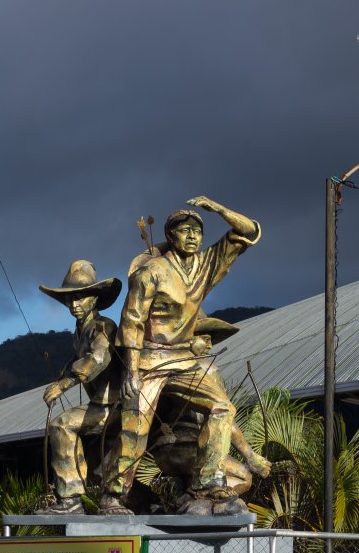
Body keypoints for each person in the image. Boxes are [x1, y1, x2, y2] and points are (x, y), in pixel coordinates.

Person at [101, 196, 261, 515]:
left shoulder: (206, 265)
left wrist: (216, 209)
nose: (191, 236)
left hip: (184, 359)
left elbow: (250, 231)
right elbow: (131, 320)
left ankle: (204, 482)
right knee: (136, 426)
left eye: (196, 231)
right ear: (170, 236)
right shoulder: (152, 272)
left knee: (221, 407)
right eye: (183, 230)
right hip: (148, 360)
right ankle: (113, 495)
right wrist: (131, 370)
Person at [38, 260, 122, 514]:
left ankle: (71, 497)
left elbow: (96, 359)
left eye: (81, 298)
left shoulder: (103, 327)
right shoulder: (80, 331)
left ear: (94, 299)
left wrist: (65, 384)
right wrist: (62, 376)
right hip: (100, 404)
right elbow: (76, 360)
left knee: (62, 425)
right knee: (99, 467)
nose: (74, 305)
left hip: (116, 405)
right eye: (70, 299)